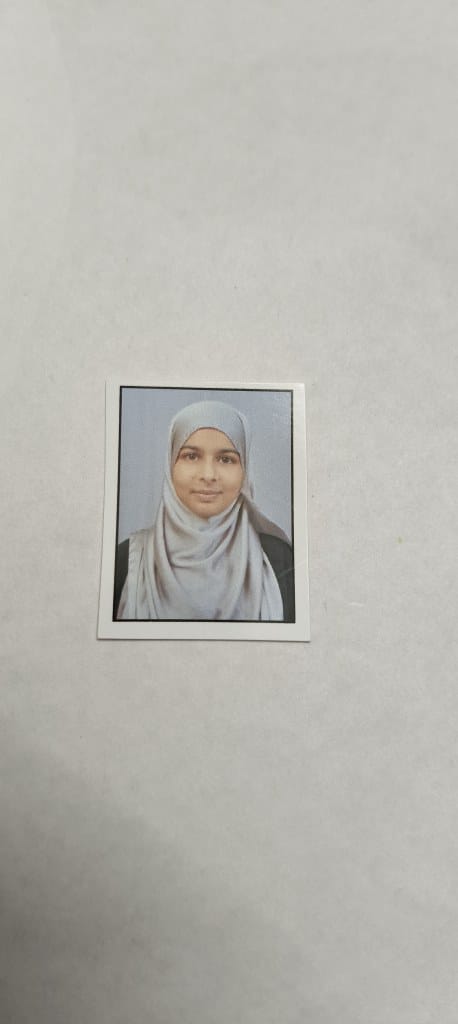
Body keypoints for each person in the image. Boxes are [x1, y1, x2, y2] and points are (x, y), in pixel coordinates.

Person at [114, 400, 295, 622]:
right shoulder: (127, 561)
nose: (208, 475)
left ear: (244, 471)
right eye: (191, 456)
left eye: (225, 459)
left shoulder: (280, 560)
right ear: (170, 464)